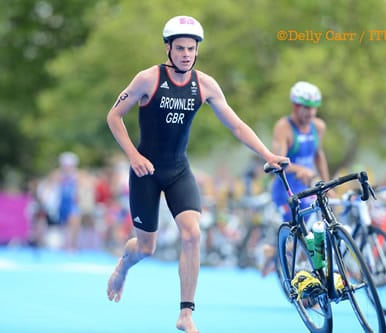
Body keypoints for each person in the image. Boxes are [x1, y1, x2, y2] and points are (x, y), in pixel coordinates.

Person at [105, 15, 288, 333]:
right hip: (145, 171)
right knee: (146, 248)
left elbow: (237, 125)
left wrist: (268, 155)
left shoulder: (205, 85)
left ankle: (186, 313)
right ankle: (124, 264)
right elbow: (114, 116)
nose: (187, 54)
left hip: (178, 170)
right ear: (168, 48)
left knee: (192, 234)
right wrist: (133, 156)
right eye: (180, 48)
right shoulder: (147, 79)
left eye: (191, 48)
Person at [260, 81, 331, 277]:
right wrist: (301, 169)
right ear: (296, 106)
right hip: (286, 191)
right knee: (299, 236)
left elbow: (318, 155)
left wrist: (326, 183)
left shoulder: (318, 126)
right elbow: (278, 161)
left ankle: (282, 256)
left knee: (314, 235)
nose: (311, 113)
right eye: (307, 108)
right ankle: (275, 252)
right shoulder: (283, 128)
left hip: (308, 188)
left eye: (314, 108)